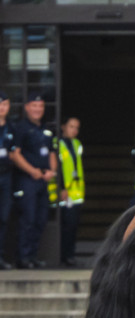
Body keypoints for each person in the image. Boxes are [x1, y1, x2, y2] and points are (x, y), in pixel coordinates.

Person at [9, 93, 56, 269]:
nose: (38, 109)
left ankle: (33, 256)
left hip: (43, 181)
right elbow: (15, 154)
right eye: (34, 106)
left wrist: (52, 170)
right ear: (27, 107)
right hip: (26, 180)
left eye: (41, 106)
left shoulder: (46, 129)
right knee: (27, 219)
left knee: (41, 219)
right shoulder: (20, 128)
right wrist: (32, 171)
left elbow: (52, 152)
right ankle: (23, 257)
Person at [55, 117, 85, 267]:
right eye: (71, 126)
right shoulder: (57, 144)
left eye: (76, 127)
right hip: (64, 193)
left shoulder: (77, 144)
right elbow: (58, 168)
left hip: (76, 193)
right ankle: (62, 256)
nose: (74, 130)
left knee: (73, 226)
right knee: (65, 226)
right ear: (63, 127)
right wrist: (61, 187)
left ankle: (69, 254)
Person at [0, 91, 13, 270]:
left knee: (3, 218)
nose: (2, 108)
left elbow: (15, 153)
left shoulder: (11, 128)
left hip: (7, 176)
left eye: (5, 105)